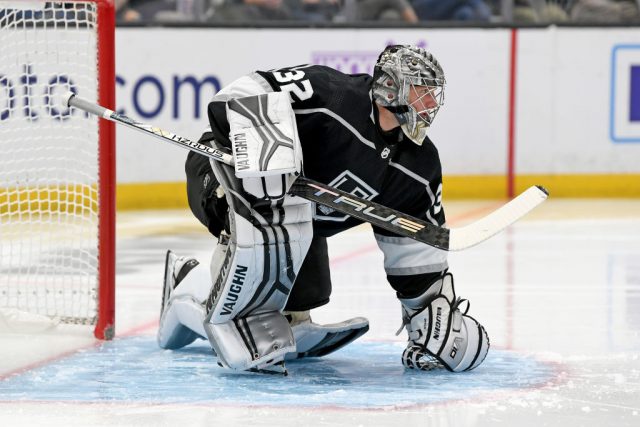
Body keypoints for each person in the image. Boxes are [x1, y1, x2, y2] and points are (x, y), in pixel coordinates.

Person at [157, 45, 490, 374]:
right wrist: (265, 148)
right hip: (221, 171)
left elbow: (414, 257)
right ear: (390, 87)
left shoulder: (419, 167)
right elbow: (236, 95)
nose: (430, 103)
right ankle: (226, 312)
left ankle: (205, 290)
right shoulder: (332, 95)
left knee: (303, 289)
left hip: (298, 224)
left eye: (433, 94)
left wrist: (431, 311)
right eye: (420, 90)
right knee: (268, 226)